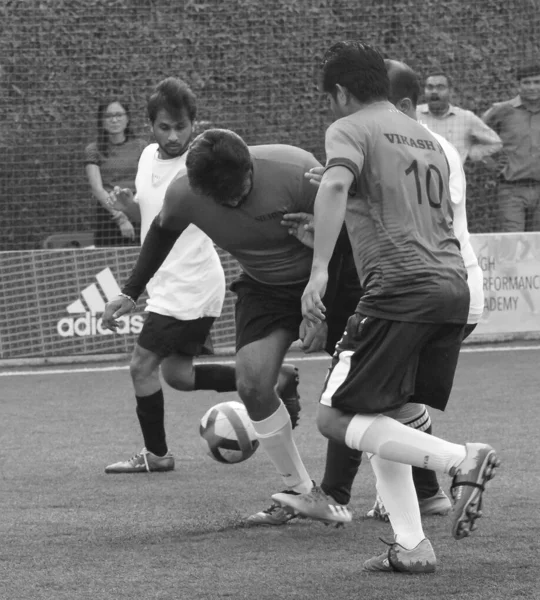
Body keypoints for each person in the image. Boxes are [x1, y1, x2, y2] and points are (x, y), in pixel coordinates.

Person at [273, 41, 499, 574]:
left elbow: (333, 185)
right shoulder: (427, 138)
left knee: (334, 417)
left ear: (342, 92)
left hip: (399, 289)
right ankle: (412, 545)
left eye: (330, 98)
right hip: (450, 286)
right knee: (386, 414)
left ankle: (459, 459)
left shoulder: (350, 126)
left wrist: (320, 271)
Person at [102, 128, 351, 524]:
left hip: (330, 280)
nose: (234, 202)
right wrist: (130, 291)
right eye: (223, 200)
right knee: (252, 383)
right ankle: (304, 493)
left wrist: (320, 306)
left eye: (241, 191)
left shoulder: (297, 171)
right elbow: (162, 233)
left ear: (250, 166)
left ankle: (416, 488)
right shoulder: (185, 191)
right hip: (263, 290)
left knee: (357, 391)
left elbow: (352, 237)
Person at [102, 79, 300, 475]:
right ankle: (275, 377)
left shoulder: (203, 168)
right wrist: (132, 209)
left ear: (195, 123)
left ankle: (156, 455)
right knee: (176, 375)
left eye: (181, 126)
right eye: (164, 127)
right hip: (165, 284)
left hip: (189, 283)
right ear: (150, 127)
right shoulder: (145, 159)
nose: (174, 136)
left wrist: (130, 290)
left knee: (142, 365)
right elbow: (160, 224)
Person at [482, 64, 540, 232]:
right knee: (512, 243)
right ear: (518, 85)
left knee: (538, 246)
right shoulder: (502, 110)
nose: (532, 87)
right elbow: (473, 135)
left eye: (537, 82)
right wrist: (490, 163)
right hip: (512, 190)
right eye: (526, 83)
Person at [84, 99, 147, 247]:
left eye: (119, 114)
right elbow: (97, 188)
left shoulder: (141, 146)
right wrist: (120, 218)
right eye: (108, 116)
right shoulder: (93, 150)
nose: (114, 120)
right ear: (102, 121)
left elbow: (148, 182)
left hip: (138, 211)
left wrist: (132, 209)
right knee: (108, 266)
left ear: (127, 118)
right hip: (109, 216)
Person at [417, 71, 502, 164]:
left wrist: (472, 154)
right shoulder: (412, 115)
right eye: (430, 87)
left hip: (453, 176)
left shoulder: (465, 117)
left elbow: (496, 143)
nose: (434, 91)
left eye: (440, 87)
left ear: (450, 91)